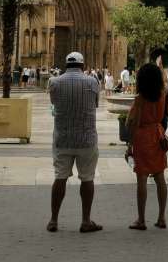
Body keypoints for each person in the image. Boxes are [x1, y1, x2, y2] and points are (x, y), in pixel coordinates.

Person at [47, 51, 102, 234]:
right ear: (82, 65)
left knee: (60, 177)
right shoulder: (92, 82)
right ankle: (86, 220)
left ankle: (54, 220)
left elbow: (54, 107)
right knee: (87, 178)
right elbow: (94, 105)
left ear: (65, 65)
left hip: (62, 138)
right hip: (86, 139)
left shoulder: (54, 83)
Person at [125, 62, 168, 230]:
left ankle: (141, 219)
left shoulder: (140, 99)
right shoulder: (162, 94)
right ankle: (161, 217)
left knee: (141, 179)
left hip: (142, 137)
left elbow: (134, 122)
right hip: (158, 135)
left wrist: (129, 145)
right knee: (160, 178)